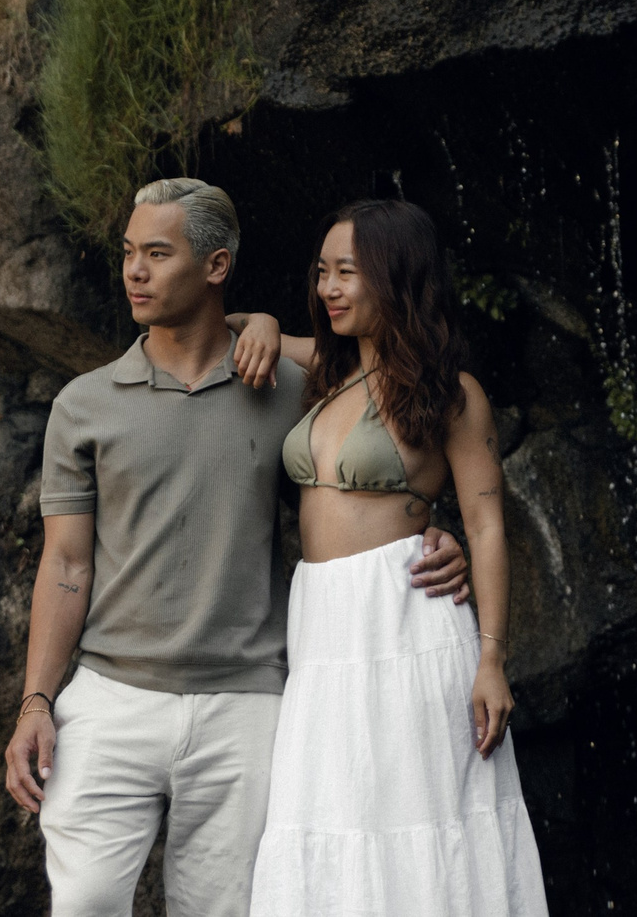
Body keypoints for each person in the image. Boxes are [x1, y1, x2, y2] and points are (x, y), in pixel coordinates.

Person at [3, 177, 470, 917]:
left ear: (216, 265)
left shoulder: (294, 386)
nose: (134, 271)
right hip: (110, 697)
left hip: (249, 704)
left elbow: (384, 446)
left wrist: (431, 527)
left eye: (157, 252)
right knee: (86, 900)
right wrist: (36, 701)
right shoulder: (83, 403)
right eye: (129, 252)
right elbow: (65, 564)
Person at [227, 197, 551, 915]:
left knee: (422, 811)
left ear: (395, 276)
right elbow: (230, 330)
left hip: (409, 623)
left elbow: (487, 524)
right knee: (328, 812)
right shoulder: (326, 370)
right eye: (322, 271)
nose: (328, 287)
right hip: (323, 632)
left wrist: (492, 658)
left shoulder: (452, 394)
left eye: (347, 272)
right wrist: (265, 322)